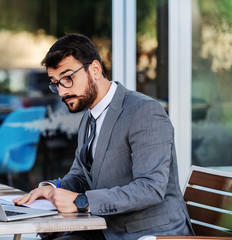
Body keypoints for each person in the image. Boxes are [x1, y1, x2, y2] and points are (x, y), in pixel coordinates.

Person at [13, 34, 194, 239]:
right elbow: (81, 176)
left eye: (68, 78)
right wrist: (51, 189)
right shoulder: (90, 118)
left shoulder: (145, 112)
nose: (62, 91)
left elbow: (150, 188)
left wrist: (81, 201)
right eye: (56, 83)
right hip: (108, 230)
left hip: (152, 234)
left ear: (95, 70)